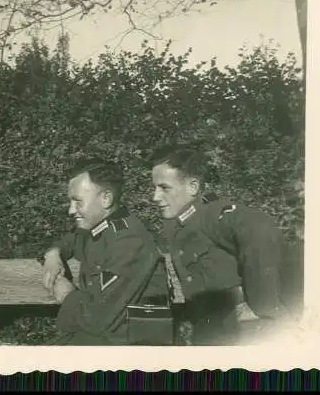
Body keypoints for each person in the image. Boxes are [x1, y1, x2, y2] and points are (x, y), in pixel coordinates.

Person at [150, 144, 295, 345]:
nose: (155, 197)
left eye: (164, 188)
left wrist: (263, 306)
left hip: (241, 334)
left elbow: (260, 227)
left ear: (193, 186)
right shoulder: (177, 225)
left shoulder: (214, 215)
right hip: (209, 330)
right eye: (154, 188)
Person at [42, 157, 169, 345]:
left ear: (106, 198)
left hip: (132, 346)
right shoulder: (100, 230)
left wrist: (67, 294)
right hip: (107, 338)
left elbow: (99, 318)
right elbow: (70, 240)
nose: (71, 210)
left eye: (78, 202)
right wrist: (53, 254)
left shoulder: (128, 241)